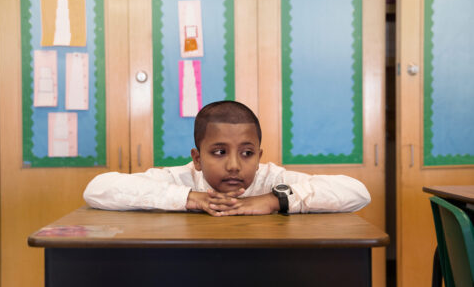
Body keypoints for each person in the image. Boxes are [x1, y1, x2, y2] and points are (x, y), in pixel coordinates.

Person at [84, 100, 370, 216]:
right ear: (197, 159)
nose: (234, 165)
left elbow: (357, 193)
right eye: (219, 152)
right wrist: (189, 198)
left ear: (259, 157)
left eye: (247, 154)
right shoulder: (182, 178)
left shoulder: (271, 179)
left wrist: (274, 200)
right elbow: (97, 189)